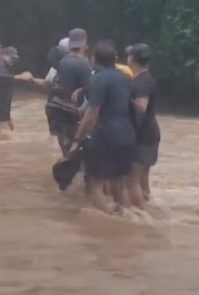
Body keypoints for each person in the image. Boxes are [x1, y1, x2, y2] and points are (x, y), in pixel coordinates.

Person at [69, 42, 137, 212]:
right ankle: (127, 220)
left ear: (94, 59)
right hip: (127, 135)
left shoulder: (97, 79)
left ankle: (108, 224)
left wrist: (77, 139)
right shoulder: (124, 78)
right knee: (118, 188)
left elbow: (91, 115)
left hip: (106, 137)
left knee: (94, 185)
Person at [43, 29, 92, 155]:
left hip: (58, 110)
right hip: (75, 113)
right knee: (78, 151)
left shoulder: (61, 63)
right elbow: (91, 90)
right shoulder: (84, 65)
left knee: (65, 147)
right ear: (84, 44)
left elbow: (50, 84)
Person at [127, 43, 160, 207]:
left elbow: (140, 109)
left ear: (132, 59)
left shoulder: (141, 82)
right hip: (151, 132)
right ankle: (149, 207)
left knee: (132, 180)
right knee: (142, 178)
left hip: (143, 136)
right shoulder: (147, 78)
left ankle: (141, 217)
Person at [0, 47, 32, 138]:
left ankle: (3, 143)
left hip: (2, 99)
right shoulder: (0, 65)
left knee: (9, 126)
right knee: (3, 125)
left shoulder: (6, 66)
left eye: (15, 59)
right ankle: (3, 147)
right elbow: (3, 77)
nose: (13, 61)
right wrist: (20, 76)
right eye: (12, 58)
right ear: (4, 55)